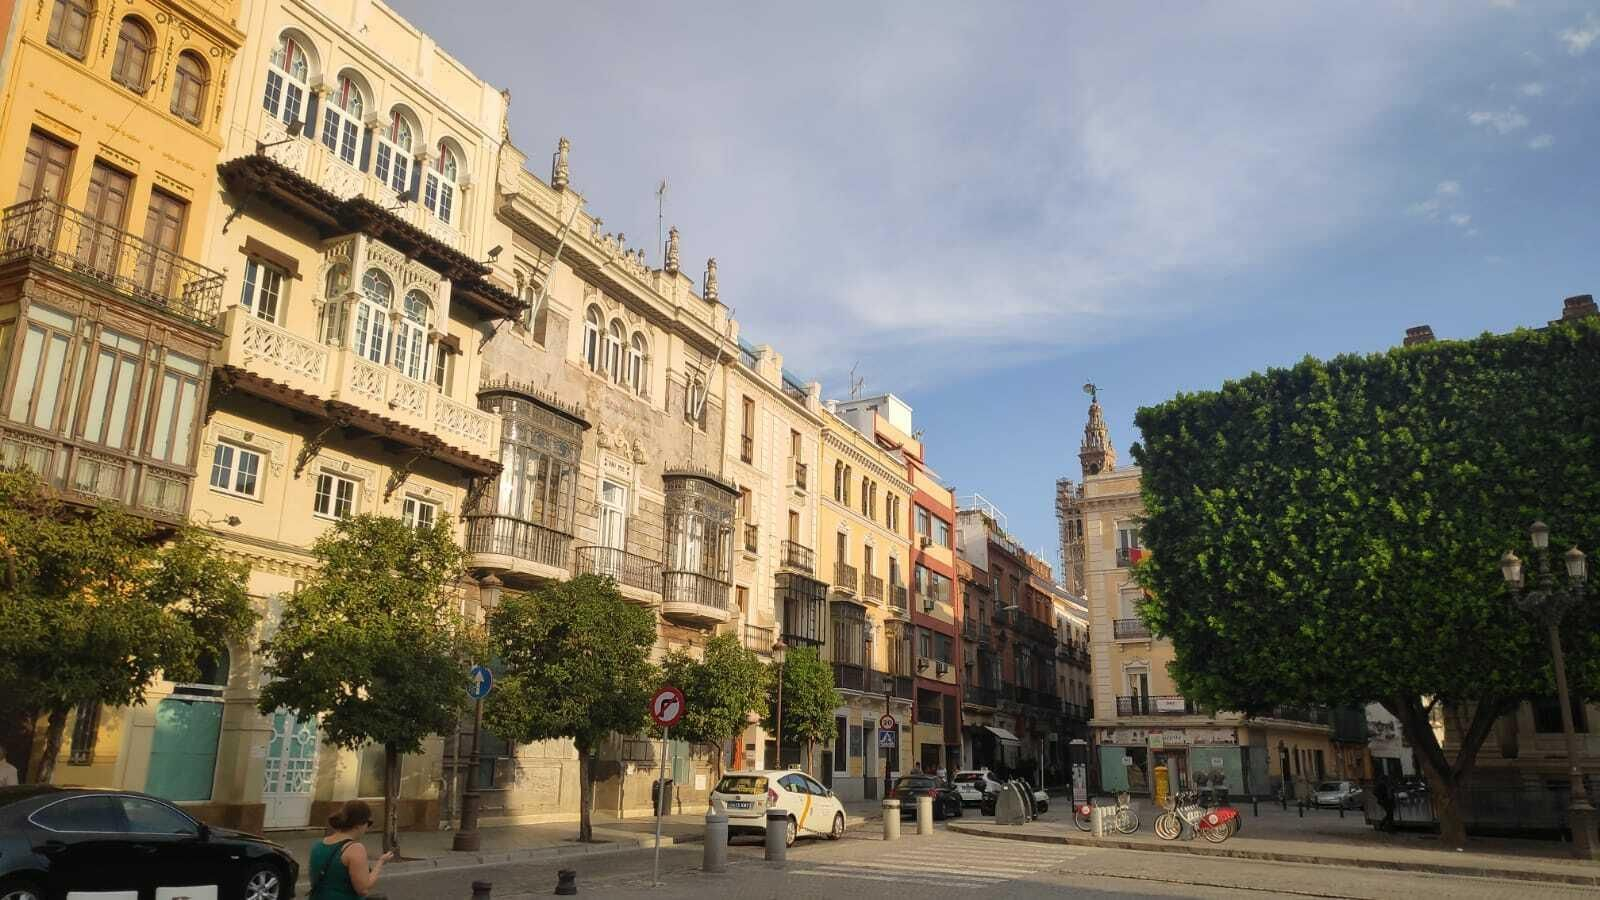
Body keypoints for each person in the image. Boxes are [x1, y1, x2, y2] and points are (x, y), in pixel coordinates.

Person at [309, 800, 394, 899]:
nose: (367, 828)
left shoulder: (318, 845)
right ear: (359, 824)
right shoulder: (354, 849)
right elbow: (363, 889)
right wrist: (380, 862)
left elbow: (314, 879)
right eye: (369, 823)